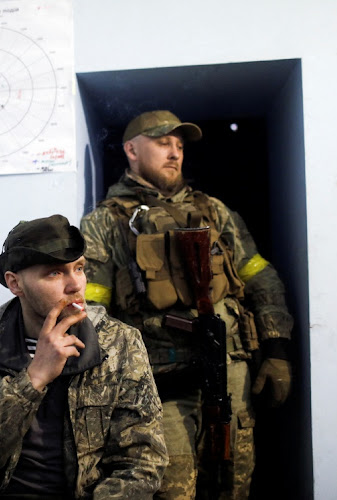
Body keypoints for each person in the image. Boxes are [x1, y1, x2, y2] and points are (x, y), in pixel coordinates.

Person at [80, 110, 294, 499]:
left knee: (233, 483)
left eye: (179, 146)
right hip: (162, 383)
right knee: (173, 488)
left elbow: (260, 277)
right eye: (163, 143)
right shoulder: (105, 223)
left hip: (231, 373)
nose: (174, 153)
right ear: (131, 150)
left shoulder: (215, 211)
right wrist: (127, 383)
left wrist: (277, 348)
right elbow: (94, 317)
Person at [0, 214, 168, 500]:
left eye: (79, 268)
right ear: (15, 283)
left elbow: (142, 463)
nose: (75, 285)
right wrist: (33, 379)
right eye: (55, 273)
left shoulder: (119, 342)